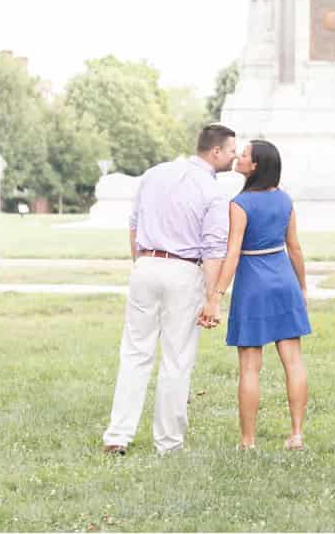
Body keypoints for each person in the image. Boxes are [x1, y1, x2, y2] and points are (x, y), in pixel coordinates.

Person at [100, 124, 237, 455]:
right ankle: (168, 443)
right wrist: (212, 298)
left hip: (145, 265)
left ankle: (118, 435)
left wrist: (140, 262)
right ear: (215, 152)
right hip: (184, 270)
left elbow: (133, 224)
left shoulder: (155, 173)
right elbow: (213, 248)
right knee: (177, 358)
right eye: (232, 151)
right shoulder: (214, 191)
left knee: (134, 352)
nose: (234, 157)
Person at [200, 139, 311, 450]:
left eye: (245, 154)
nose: (239, 157)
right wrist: (302, 287)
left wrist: (216, 296)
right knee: (294, 362)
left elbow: (232, 253)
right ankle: (297, 435)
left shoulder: (240, 204)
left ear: (256, 166)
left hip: (253, 287)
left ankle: (248, 441)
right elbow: (295, 247)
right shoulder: (285, 200)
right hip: (284, 282)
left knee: (250, 367)